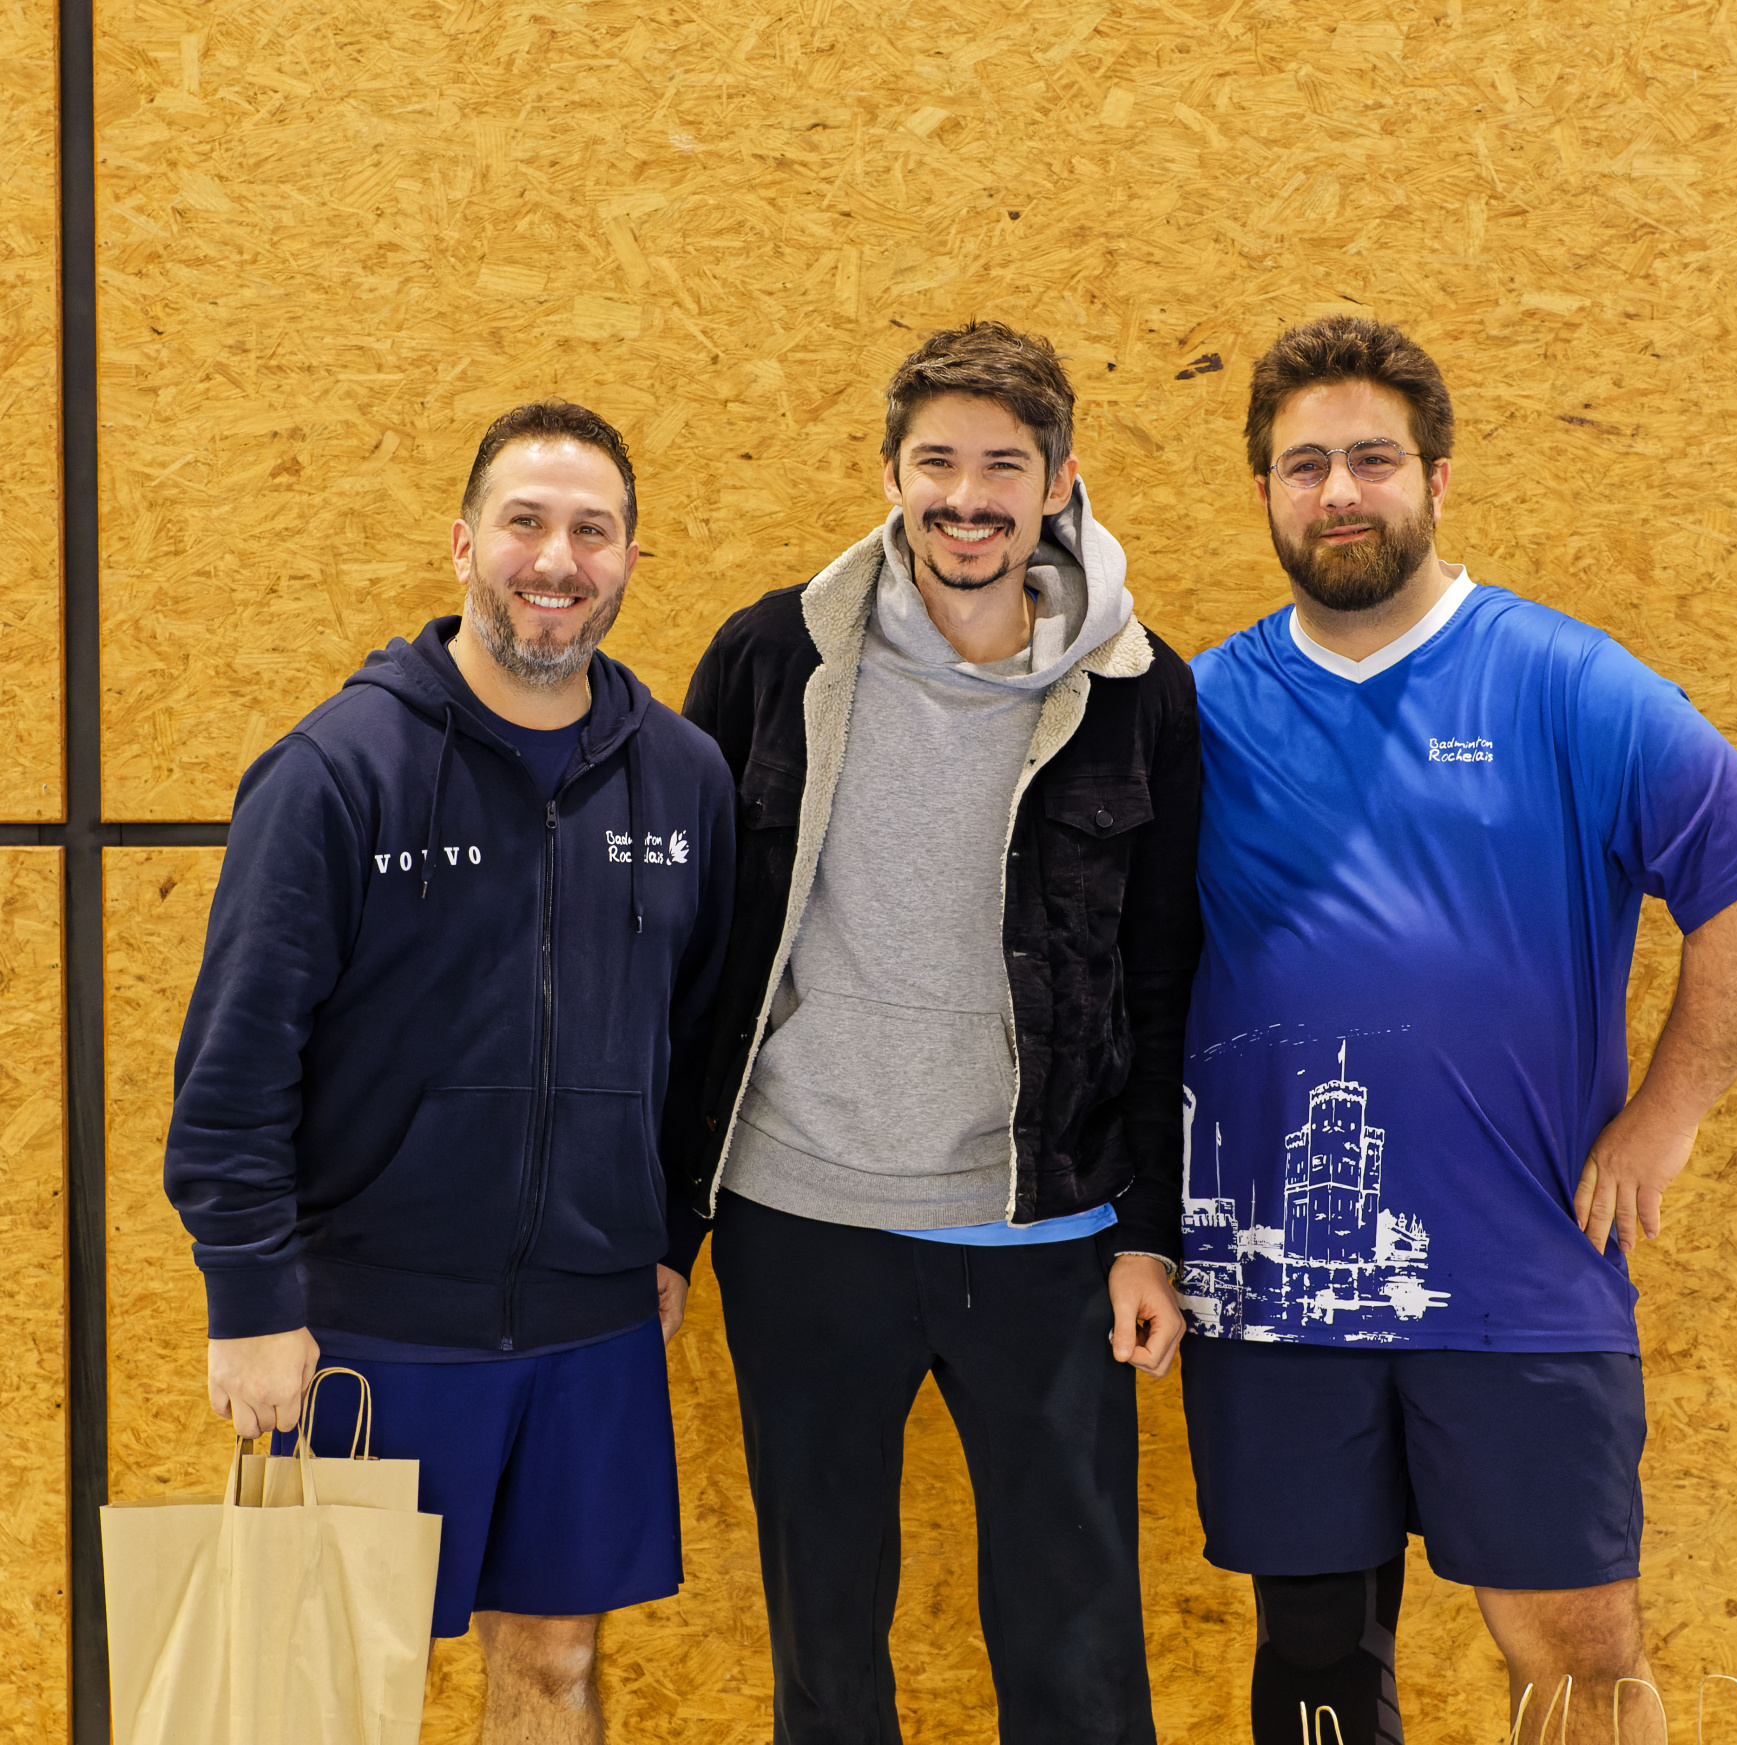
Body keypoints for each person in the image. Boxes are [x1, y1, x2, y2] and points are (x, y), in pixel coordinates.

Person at [1175, 317, 1737, 1745]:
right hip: (1279, 1298)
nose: (1340, 491)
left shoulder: (1562, 679)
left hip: (1522, 1276)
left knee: (1580, 1665)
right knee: (1315, 1664)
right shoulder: (1202, 708)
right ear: (1266, 491)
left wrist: (1668, 1115)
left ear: (1438, 479)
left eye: (1373, 459)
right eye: (1304, 466)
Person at [166, 400, 734, 1744]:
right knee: (322, 1685)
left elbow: (702, 1036)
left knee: (555, 1662)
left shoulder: (684, 776)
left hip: (588, 1329)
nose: (557, 559)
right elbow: (236, 1061)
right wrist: (249, 1299)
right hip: (369, 1324)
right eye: (525, 522)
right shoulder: (334, 770)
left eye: (592, 530)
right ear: (465, 545)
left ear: (630, 559)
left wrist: (668, 1234)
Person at [679, 320, 1201, 1745]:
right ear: (891, 472)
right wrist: (668, 1230)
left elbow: (1162, 979)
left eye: (1004, 467)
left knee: (1076, 1659)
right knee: (826, 1654)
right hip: (801, 1219)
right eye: (937, 463)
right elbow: (693, 960)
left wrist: (1148, 1233)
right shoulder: (772, 656)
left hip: (1043, 1229)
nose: (967, 499)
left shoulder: (1138, 691)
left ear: (1060, 481)